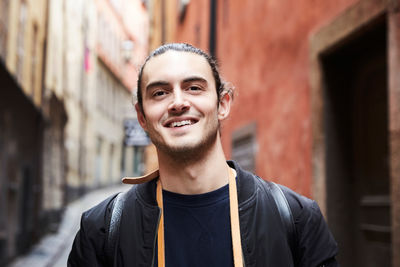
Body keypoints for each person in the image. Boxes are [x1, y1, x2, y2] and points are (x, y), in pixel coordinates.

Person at [68, 43, 338, 267]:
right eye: (160, 93)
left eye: (194, 88)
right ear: (142, 117)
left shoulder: (298, 219)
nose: (178, 103)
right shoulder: (102, 230)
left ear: (222, 104)